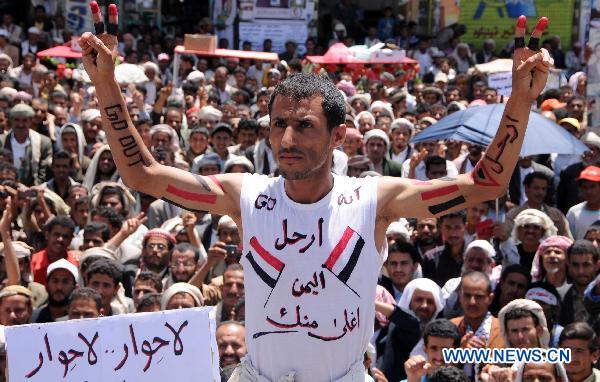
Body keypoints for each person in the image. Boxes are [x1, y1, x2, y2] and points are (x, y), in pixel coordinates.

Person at [79, 13, 552, 380]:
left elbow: (486, 184)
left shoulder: (374, 201)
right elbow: (143, 174)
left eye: (304, 126)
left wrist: (520, 100)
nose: (287, 140)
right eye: (279, 125)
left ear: (338, 136)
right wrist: (104, 82)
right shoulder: (246, 195)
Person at [378, 278, 445, 382]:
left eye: (430, 301)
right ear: (408, 302)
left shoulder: (443, 332)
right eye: (419, 300)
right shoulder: (397, 325)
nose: (424, 305)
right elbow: (406, 320)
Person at [1, 103, 52, 186]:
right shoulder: (2, 141)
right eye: (17, 120)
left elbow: (43, 173)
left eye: (24, 120)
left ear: (31, 121)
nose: (20, 124)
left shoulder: (43, 142)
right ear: (11, 121)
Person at [422, 212, 466, 287]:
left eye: (457, 227)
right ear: (441, 228)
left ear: (466, 227)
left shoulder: (473, 257)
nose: (452, 233)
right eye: (448, 227)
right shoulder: (430, 258)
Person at [31, 216, 77, 285]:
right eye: (56, 234)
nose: (60, 239)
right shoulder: (33, 263)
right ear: (47, 235)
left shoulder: (76, 264)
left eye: (65, 236)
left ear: (71, 240)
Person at [32, 258, 78, 323]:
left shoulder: (80, 319)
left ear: (75, 287)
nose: (59, 287)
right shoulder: (33, 317)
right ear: (46, 286)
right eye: (55, 281)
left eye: (65, 282)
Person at [566, 166, 600, 239]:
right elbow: (569, 241)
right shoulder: (573, 212)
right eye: (585, 187)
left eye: (592, 186)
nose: (589, 192)